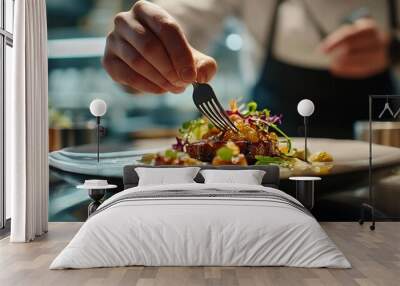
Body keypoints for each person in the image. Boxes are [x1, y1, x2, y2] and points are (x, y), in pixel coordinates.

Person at [102, 0, 399, 138]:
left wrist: (394, 49)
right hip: (273, 161)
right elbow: (179, 13)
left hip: (385, 144)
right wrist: (141, 44)